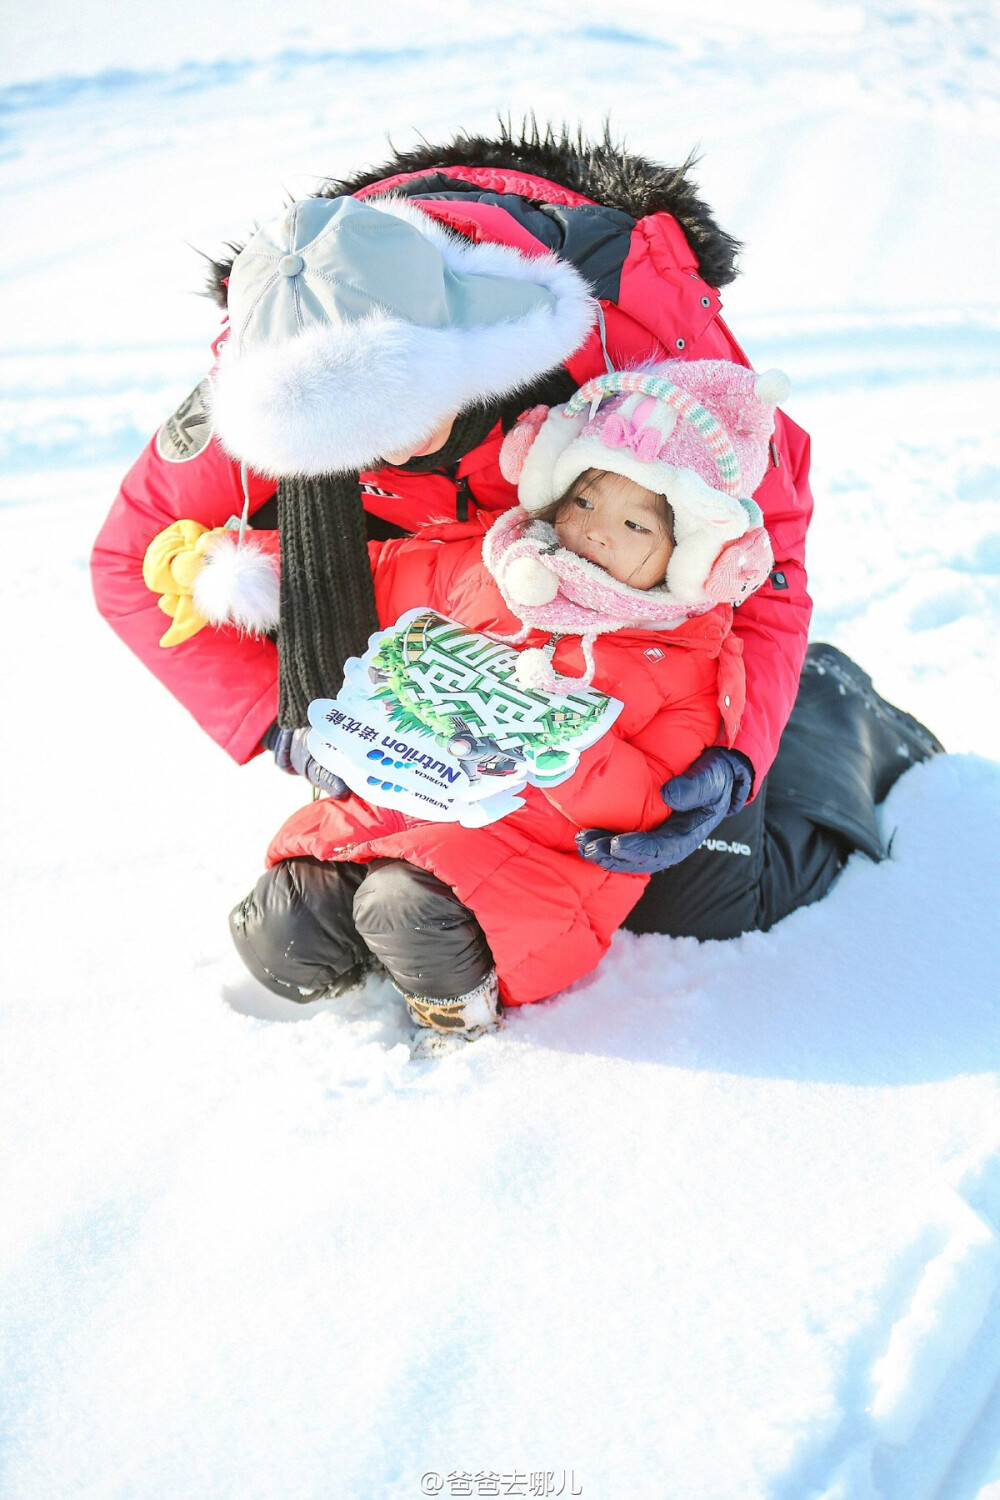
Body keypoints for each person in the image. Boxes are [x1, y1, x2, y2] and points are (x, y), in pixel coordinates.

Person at [90, 124, 940, 946]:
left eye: (394, 419)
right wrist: (282, 723)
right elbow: (130, 560)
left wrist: (739, 751)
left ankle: (829, 710)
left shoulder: (627, 340)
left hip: (641, 629)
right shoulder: (275, 351)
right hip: (448, 631)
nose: (376, 455)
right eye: (337, 443)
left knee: (695, 898)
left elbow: (770, 557)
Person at [221, 359, 782, 1050]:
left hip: (526, 865)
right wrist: (236, 561)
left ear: (689, 553)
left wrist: (564, 742)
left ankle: (459, 1009)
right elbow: (363, 575)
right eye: (584, 503)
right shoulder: (492, 564)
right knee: (281, 924)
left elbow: (649, 804)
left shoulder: (685, 656)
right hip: (393, 802)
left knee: (405, 906)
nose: (598, 532)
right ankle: (359, 959)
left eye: (636, 525)